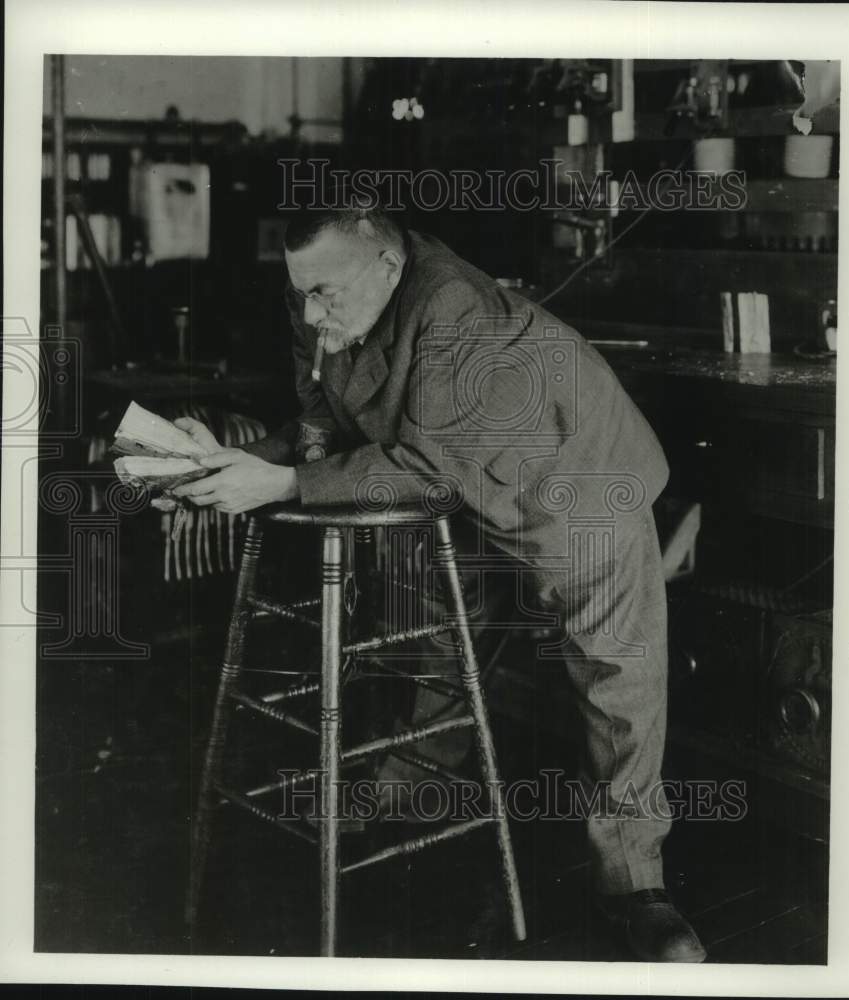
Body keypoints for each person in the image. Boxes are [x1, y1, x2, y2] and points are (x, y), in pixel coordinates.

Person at [173, 205, 706, 963]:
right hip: (454, 478)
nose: (309, 311)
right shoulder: (325, 288)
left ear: (388, 269)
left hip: (576, 476)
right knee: (425, 622)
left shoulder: (456, 311)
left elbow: (425, 471)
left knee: (615, 672)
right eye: (300, 295)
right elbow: (322, 419)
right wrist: (234, 459)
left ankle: (634, 883)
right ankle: (417, 779)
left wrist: (283, 481)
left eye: (324, 294)